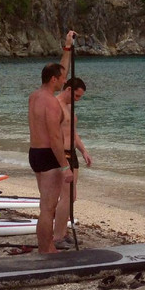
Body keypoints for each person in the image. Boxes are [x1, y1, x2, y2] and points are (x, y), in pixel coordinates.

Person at [27, 31, 76, 255]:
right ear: (53, 80)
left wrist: (67, 47)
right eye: (62, 78)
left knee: (45, 204)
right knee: (48, 207)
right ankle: (47, 248)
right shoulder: (52, 104)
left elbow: (61, 69)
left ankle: (45, 246)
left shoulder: (35, 96)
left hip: (35, 153)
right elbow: (55, 137)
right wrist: (65, 167)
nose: (66, 80)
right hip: (48, 155)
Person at [53, 77, 93, 247]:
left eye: (80, 97)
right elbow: (52, 134)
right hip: (61, 154)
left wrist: (83, 150)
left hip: (73, 153)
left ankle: (63, 232)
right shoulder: (55, 105)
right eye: (76, 96)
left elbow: (73, 132)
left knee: (72, 196)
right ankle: (57, 237)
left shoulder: (70, 107)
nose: (77, 100)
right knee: (66, 196)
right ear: (68, 89)